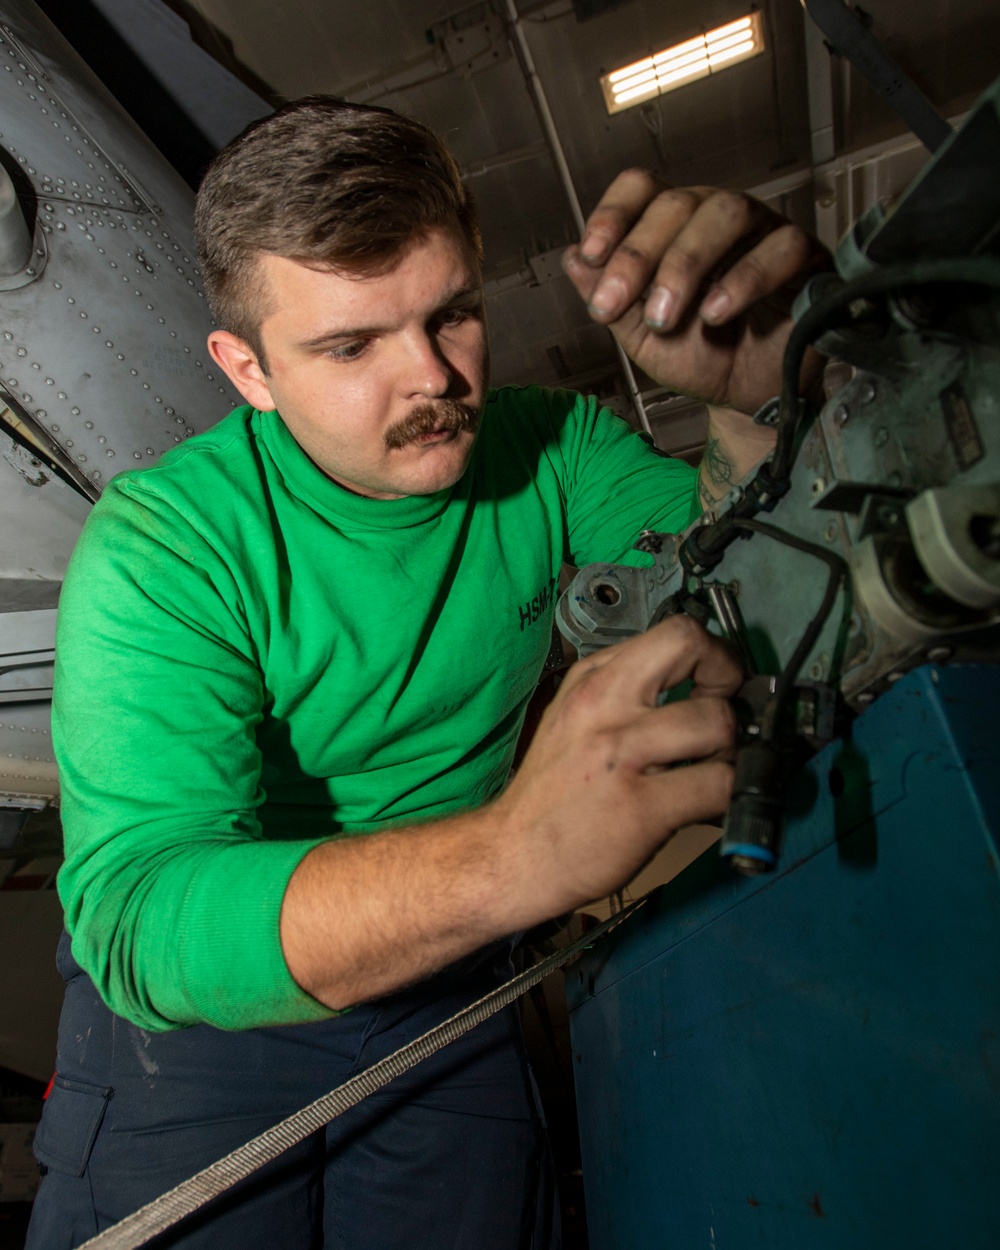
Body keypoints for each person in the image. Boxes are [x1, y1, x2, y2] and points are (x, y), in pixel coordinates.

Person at [27, 98, 825, 1248]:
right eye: (350, 345)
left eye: (451, 314)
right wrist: (508, 855)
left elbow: (752, 601)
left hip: (447, 988)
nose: (433, 379)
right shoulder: (168, 541)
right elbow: (143, 911)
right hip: (197, 1034)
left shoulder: (556, 451)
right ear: (245, 368)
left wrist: (752, 407)